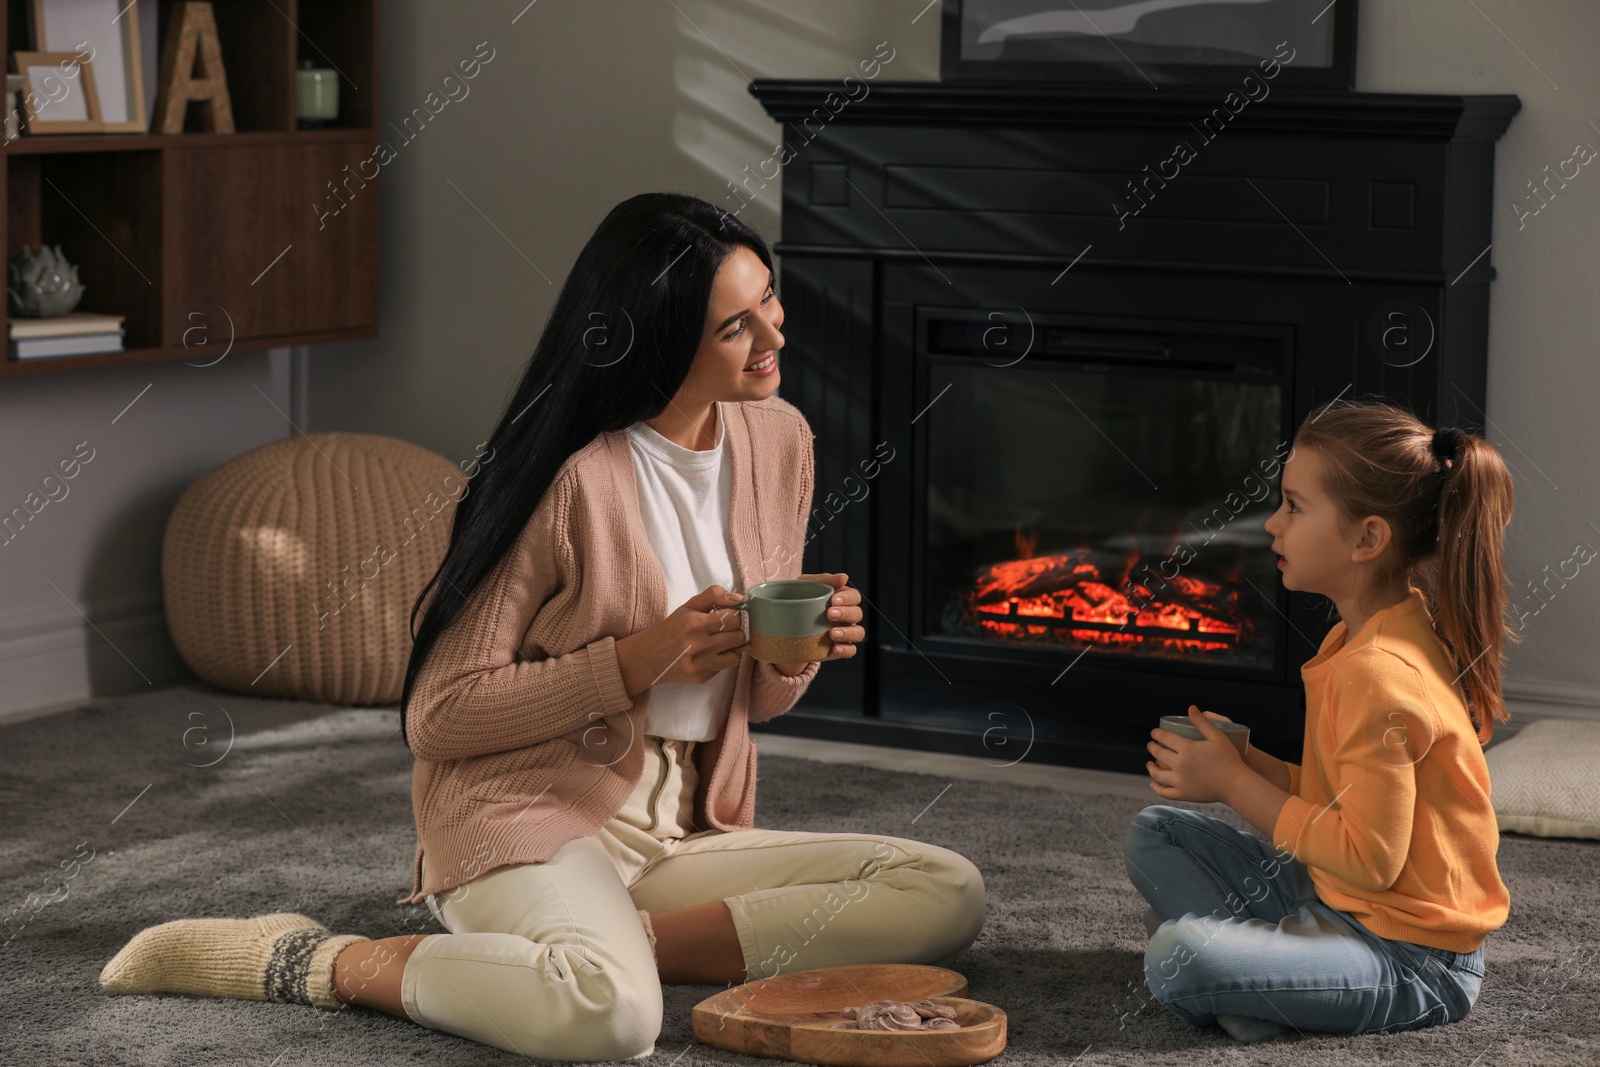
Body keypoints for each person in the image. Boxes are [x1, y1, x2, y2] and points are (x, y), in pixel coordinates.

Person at [97, 193, 986, 1060]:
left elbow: (758, 699)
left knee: (944, 890)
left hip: (680, 826)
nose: (774, 337)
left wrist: (799, 651)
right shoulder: (569, 481)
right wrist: (638, 657)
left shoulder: (778, 440)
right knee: (611, 1021)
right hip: (531, 810)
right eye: (734, 328)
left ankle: (618, 943)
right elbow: (438, 715)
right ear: (661, 341)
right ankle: (321, 959)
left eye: (768, 301)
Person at [1125, 398, 1515, 1042]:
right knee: (1155, 832)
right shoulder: (1363, 635)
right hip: (1334, 899)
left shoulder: (1379, 672)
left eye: (1295, 506)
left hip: (1412, 958)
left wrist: (1232, 783)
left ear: (1368, 538)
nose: (1273, 525)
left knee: (1178, 956)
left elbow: (1371, 860)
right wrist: (1248, 761)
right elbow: (1349, 802)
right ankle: (1274, 987)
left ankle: (1267, 984)